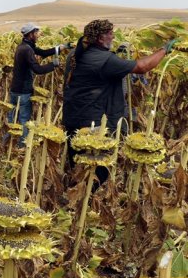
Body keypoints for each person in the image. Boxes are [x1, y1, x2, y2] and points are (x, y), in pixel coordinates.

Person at [62, 19, 176, 188]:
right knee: (96, 171)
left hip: (74, 118)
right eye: (110, 34)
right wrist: (164, 49)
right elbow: (143, 66)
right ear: (100, 38)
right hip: (94, 124)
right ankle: (89, 205)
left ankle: (74, 202)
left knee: (77, 165)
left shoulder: (75, 54)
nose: (113, 36)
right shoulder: (104, 59)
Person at [9, 23, 70, 143]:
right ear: (31, 34)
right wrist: (54, 65)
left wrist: (60, 48)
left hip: (15, 89)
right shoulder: (27, 50)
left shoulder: (24, 46)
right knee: (24, 120)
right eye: (36, 33)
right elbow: (37, 69)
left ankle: (9, 144)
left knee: (12, 119)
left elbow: (42, 53)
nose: (38, 35)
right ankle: (22, 146)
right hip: (23, 91)